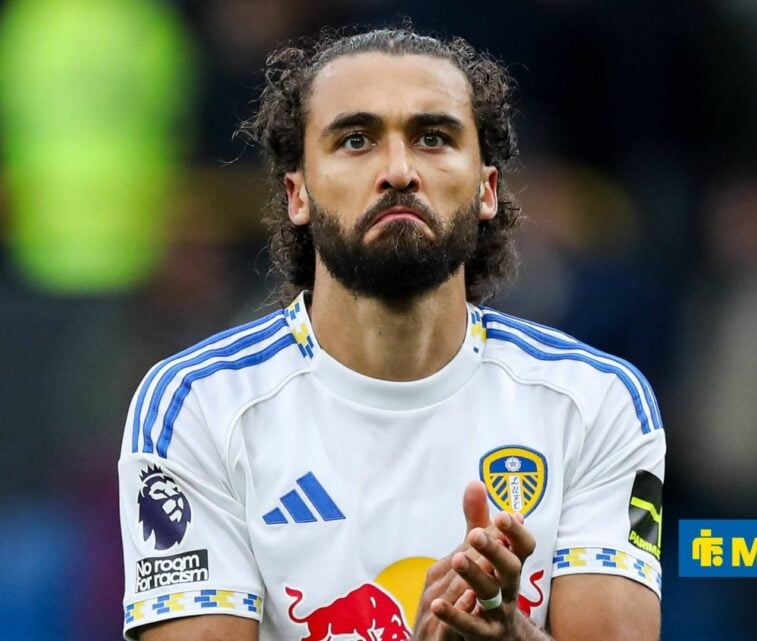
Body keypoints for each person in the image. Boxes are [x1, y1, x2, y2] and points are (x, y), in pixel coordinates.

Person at [117, 27, 665, 641]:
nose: (399, 171)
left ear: (487, 189)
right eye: (356, 140)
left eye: (434, 138)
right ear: (298, 193)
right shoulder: (198, 405)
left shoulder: (594, 402)